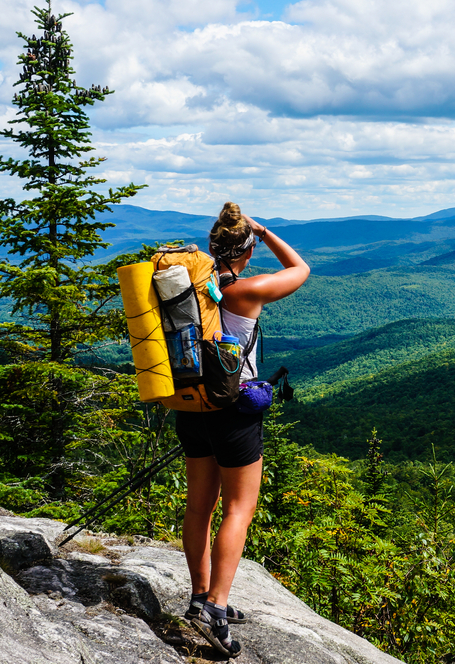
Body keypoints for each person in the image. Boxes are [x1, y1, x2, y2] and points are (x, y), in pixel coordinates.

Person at [176, 201, 309, 657]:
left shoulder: (195, 288)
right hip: (232, 410)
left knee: (200, 507)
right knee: (239, 508)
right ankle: (217, 607)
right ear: (246, 252)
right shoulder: (245, 292)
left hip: (190, 404)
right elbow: (300, 268)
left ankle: (199, 597)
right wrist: (265, 230)